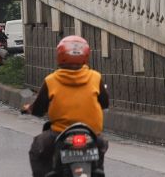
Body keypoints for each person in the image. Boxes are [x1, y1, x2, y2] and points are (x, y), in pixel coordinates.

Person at [22, 36, 109, 177]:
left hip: (59, 134)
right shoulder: (95, 77)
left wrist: (29, 108)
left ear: (60, 55)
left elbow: (38, 110)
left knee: (37, 148)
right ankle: (97, 170)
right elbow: (105, 103)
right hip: (92, 134)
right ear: (86, 55)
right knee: (101, 145)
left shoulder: (51, 80)